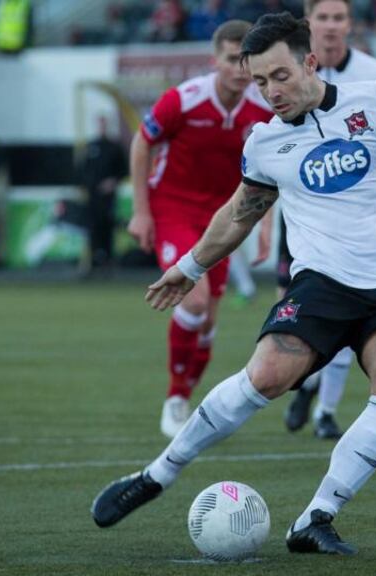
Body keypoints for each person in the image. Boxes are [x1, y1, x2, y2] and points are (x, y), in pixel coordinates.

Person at [90, 11, 376, 554]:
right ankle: (156, 475)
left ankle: (316, 517)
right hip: (322, 286)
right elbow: (240, 213)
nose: (270, 92)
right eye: (260, 81)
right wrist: (190, 266)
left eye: (280, 76)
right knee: (265, 376)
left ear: (310, 62)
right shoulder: (265, 142)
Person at [126, 20, 273, 439]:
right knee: (193, 300)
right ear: (216, 60)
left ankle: (185, 396)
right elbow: (142, 143)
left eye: (245, 60)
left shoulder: (262, 110)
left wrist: (263, 225)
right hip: (173, 208)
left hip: (225, 218)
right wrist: (141, 210)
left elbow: (270, 171)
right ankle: (174, 398)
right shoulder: (184, 100)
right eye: (231, 59)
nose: (239, 69)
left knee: (207, 321)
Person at [279, 0, 376, 441]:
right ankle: (306, 384)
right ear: (309, 24)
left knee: (351, 309)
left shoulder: (375, 73)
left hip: (359, 217)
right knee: (297, 314)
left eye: (338, 17)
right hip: (304, 215)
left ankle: (326, 410)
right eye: (322, 18)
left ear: (350, 24)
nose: (330, 26)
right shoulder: (290, 72)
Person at [79, 115, 127, 272]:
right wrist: (87, 186)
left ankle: (108, 259)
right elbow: (82, 170)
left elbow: (123, 170)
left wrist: (113, 182)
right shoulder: (90, 146)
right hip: (92, 196)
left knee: (108, 226)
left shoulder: (114, 147)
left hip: (108, 197)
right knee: (93, 227)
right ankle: (94, 260)